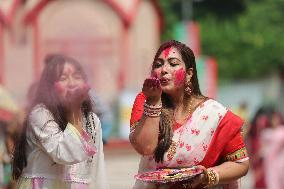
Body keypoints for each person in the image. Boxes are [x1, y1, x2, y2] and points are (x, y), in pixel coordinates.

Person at [129, 40, 249, 189]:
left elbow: (240, 163)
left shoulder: (214, 114)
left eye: (173, 64)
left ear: (189, 74)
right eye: (158, 65)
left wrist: (208, 176)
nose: (164, 70)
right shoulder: (146, 100)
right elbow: (144, 147)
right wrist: (153, 103)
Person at [12, 54, 108, 189]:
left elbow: (98, 170)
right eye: (63, 78)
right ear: (49, 87)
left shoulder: (92, 120)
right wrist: (74, 110)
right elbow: (65, 154)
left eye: (77, 77)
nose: (72, 83)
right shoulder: (41, 114)